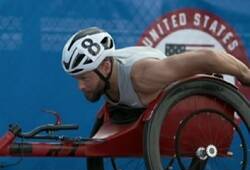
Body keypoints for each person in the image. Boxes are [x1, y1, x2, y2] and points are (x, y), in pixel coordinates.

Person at [61, 27, 250, 108]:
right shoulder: (105, 73)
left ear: (105, 67)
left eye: (84, 78)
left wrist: (245, 75)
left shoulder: (143, 76)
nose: (80, 87)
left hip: (166, 82)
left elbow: (207, 57)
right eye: (76, 79)